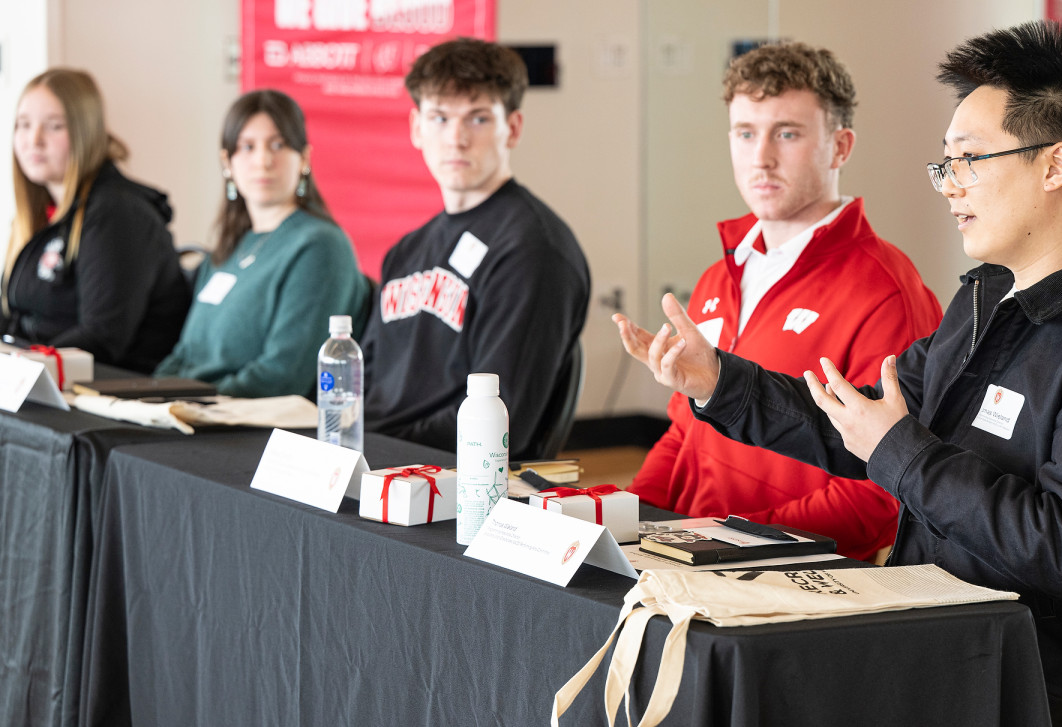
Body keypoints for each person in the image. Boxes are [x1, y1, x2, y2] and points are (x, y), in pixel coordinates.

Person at [614, 20, 1062, 727]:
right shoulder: (986, 295)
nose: (950, 186)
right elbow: (857, 421)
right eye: (945, 163)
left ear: (1055, 166)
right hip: (928, 637)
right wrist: (718, 382)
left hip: (1035, 687)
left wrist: (903, 452)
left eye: (970, 159)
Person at [627, 42, 943, 562]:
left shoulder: (884, 292)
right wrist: (629, 518)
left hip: (793, 589)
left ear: (841, 147)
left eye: (788, 134)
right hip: (688, 563)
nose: (762, 157)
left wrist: (725, 540)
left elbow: (883, 492)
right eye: (746, 134)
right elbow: (684, 434)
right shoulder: (717, 277)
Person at [361, 37, 590, 460]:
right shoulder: (406, 251)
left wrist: (374, 445)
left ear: (514, 128)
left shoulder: (532, 250)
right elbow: (369, 384)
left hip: (452, 486)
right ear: (416, 128)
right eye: (440, 118)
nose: (456, 139)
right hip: (380, 461)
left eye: (478, 119)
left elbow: (503, 425)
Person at [155, 90, 369, 397]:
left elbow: (283, 377)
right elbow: (184, 355)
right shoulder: (228, 248)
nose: (263, 161)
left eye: (278, 145)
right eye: (247, 147)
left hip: (248, 427)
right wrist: (149, 395)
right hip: (195, 414)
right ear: (227, 162)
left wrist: (193, 403)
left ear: (304, 158)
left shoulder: (320, 247)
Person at [3, 68, 189, 372]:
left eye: (54, 126)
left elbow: (101, 337)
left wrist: (19, 371)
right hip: (43, 381)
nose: (33, 140)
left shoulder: (116, 213)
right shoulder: (42, 215)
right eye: (23, 125)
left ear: (85, 131)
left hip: (106, 393)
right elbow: (10, 314)